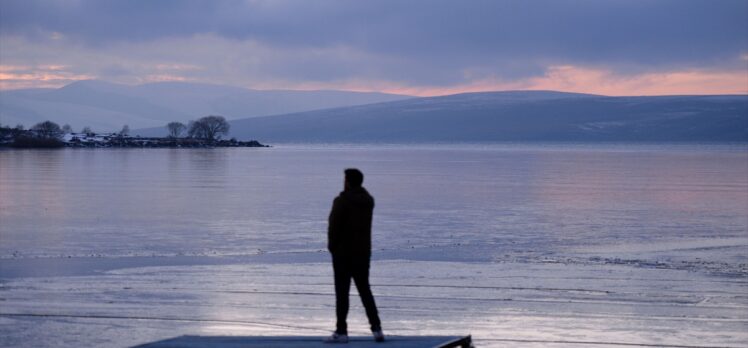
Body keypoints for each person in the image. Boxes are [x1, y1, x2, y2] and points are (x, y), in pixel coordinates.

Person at [324, 168, 384, 344]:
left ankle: (341, 331)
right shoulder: (368, 201)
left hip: (343, 254)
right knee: (365, 290)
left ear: (348, 181)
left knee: (342, 293)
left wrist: (332, 247)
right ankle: (377, 329)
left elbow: (333, 227)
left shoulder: (341, 201)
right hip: (362, 253)